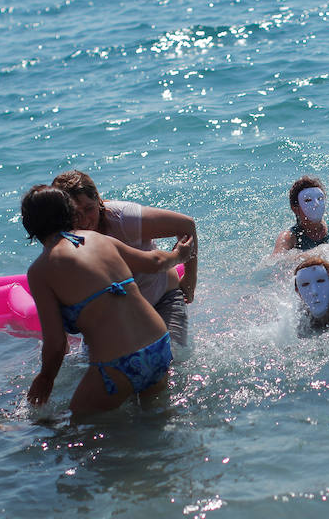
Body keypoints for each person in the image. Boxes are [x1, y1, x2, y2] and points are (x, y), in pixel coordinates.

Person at [21, 185, 192, 415]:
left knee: (73, 431)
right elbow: (154, 262)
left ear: (29, 225)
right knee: (157, 419)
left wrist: (45, 379)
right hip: (158, 345)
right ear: (70, 214)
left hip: (118, 364)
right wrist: (179, 255)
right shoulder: (96, 239)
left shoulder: (40, 271)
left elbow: (56, 344)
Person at [51, 170, 197, 346]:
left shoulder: (122, 218)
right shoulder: (64, 238)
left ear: (98, 200)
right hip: (115, 318)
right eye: (74, 213)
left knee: (170, 362)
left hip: (161, 301)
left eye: (89, 209)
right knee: (92, 369)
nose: (83, 220)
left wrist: (190, 279)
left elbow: (186, 225)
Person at [273, 176, 329, 254]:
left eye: (320, 198)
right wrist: (317, 252)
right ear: (295, 208)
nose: (316, 204)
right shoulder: (290, 237)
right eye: (308, 200)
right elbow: (275, 261)